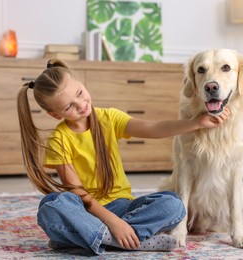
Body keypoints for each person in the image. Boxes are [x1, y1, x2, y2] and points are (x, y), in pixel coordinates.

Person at [16, 59, 230, 255]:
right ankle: (124, 239)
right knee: (52, 206)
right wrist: (115, 224)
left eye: (80, 93)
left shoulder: (109, 118)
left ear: (82, 84)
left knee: (173, 204)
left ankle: (86, 238)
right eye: (69, 106)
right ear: (55, 114)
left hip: (123, 207)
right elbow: (79, 195)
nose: (81, 104)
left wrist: (195, 123)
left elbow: (153, 128)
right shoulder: (58, 140)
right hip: (86, 211)